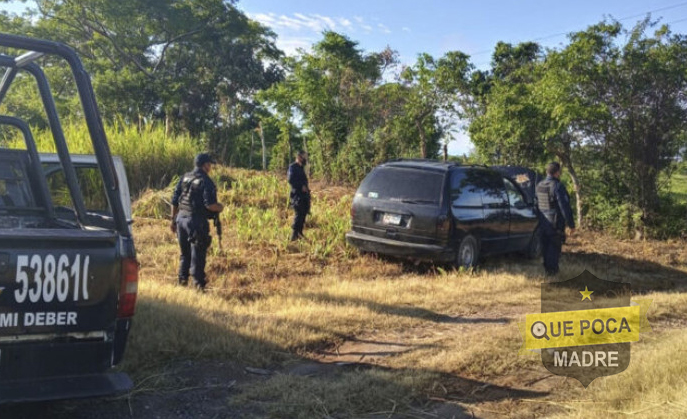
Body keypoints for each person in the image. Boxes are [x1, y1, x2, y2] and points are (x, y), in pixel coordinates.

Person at [170, 153, 224, 291]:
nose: (210, 167)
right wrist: (220, 207)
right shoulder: (206, 181)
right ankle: (198, 285)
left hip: (181, 219)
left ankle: (182, 280)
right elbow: (210, 205)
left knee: (185, 253)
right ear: (204, 165)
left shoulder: (185, 177)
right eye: (209, 164)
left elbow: (174, 200)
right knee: (198, 254)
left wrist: (173, 220)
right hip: (196, 221)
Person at [535, 162, 575, 276]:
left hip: (543, 222)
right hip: (555, 223)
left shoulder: (539, 185)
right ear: (557, 173)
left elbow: (536, 204)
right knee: (554, 248)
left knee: (545, 247)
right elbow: (564, 207)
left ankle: (547, 270)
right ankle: (552, 273)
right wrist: (571, 225)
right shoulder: (557, 186)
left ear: (547, 172)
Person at [287, 150, 310, 241]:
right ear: (299, 157)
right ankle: (293, 235)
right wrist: (301, 187)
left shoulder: (301, 168)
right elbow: (291, 180)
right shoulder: (293, 167)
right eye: (303, 157)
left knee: (303, 214)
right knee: (298, 214)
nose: (305, 159)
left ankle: (300, 233)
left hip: (304, 195)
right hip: (297, 195)